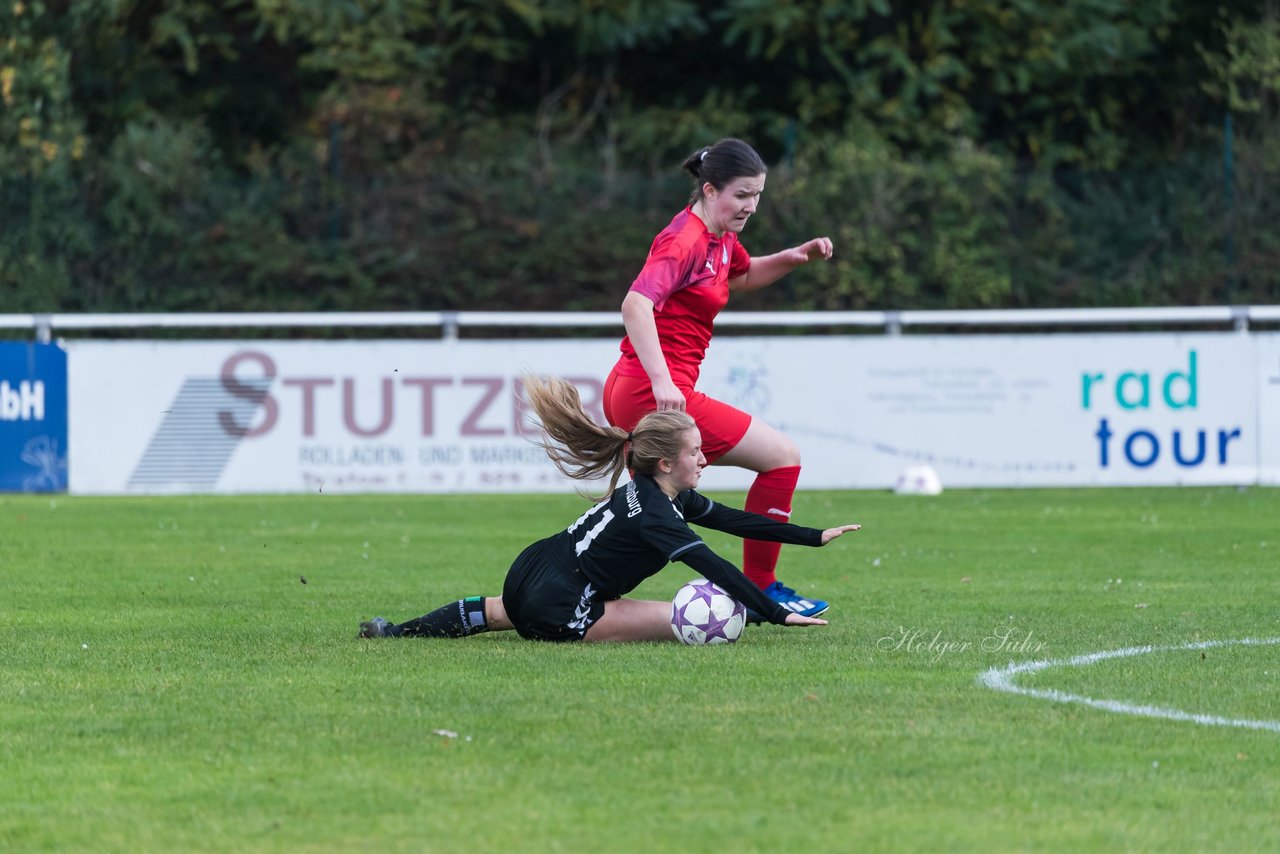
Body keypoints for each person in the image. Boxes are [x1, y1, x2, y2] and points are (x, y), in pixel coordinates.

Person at [358, 375, 860, 643]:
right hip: (563, 601)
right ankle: (407, 633)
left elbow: (732, 519)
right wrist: (772, 613)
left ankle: (395, 633)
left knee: (495, 613)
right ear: (667, 461)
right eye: (696, 453)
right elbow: (712, 562)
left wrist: (811, 536)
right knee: (697, 619)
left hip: (531, 572)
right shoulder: (657, 514)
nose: (705, 458)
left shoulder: (658, 490)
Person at [603, 137, 835, 618]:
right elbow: (635, 304)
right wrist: (665, 383)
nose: (751, 206)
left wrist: (794, 258)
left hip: (641, 388)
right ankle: (761, 588)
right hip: (655, 393)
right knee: (782, 459)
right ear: (710, 190)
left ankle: (591, 585)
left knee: (644, 507)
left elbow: (742, 276)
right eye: (742, 195)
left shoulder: (719, 238)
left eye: (758, 196)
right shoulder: (685, 239)